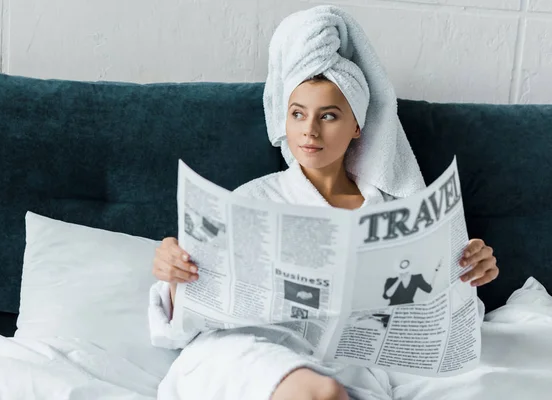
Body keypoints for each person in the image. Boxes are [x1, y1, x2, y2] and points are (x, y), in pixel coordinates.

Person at [149, 6, 499, 400]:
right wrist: (173, 274)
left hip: (345, 366)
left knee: (332, 390)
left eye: (329, 116)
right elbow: (188, 317)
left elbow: (439, 326)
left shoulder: (393, 213)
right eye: (298, 114)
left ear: (356, 127)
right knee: (322, 392)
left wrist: (469, 273)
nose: (309, 131)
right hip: (246, 355)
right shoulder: (254, 199)